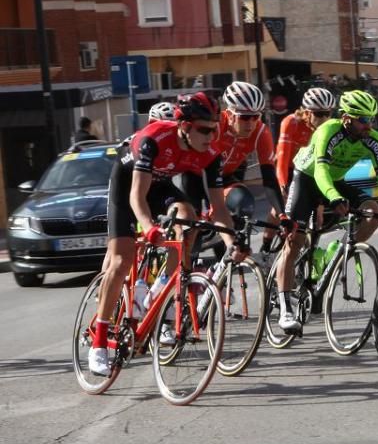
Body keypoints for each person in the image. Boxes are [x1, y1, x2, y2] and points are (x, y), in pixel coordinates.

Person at [87, 93, 242, 377]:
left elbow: (219, 208)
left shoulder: (209, 154)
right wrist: (148, 227)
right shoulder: (154, 138)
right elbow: (136, 196)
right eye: (204, 129)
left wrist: (234, 243)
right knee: (122, 259)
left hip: (158, 183)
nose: (211, 135)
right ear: (184, 126)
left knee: (189, 217)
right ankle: (98, 342)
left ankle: (161, 285)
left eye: (215, 128)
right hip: (127, 183)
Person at [274, 90, 378, 333]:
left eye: (372, 119)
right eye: (364, 120)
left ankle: (343, 248)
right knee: (296, 240)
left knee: (373, 211)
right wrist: (333, 198)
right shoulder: (328, 131)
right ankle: (285, 310)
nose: (369, 126)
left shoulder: (373, 139)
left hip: (334, 182)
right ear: (346, 118)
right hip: (307, 179)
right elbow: (321, 172)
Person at [207, 82, 284, 251]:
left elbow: (270, 179)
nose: (250, 123)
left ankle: (221, 267)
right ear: (230, 114)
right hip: (200, 178)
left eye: (255, 117)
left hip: (225, 178)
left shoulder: (260, 132)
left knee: (243, 205)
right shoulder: (215, 127)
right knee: (192, 229)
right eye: (244, 117)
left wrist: (282, 216)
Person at [275, 87, 338, 194]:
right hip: (289, 169)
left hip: (311, 170)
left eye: (327, 113)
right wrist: (283, 186)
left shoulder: (330, 127)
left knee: (318, 206)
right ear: (307, 112)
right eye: (318, 114)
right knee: (283, 205)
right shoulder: (291, 123)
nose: (324, 119)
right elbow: (282, 161)